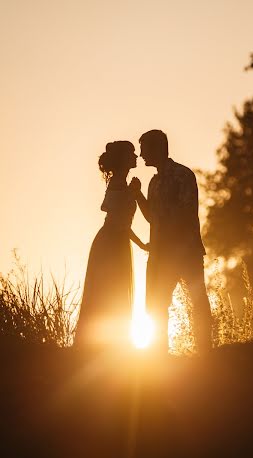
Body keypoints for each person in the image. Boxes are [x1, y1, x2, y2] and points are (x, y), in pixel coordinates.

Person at [131, 130, 212, 354]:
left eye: (144, 149)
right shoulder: (154, 182)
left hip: (185, 251)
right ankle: (159, 355)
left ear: (158, 148)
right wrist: (138, 196)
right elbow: (151, 218)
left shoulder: (182, 175)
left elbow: (186, 213)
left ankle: (205, 352)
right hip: (160, 254)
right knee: (156, 305)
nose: (141, 154)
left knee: (197, 301)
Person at [75, 141, 148, 346]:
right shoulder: (118, 183)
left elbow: (118, 219)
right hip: (111, 243)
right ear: (124, 159)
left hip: (115, 241)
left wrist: (133, 192)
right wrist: (142, 244)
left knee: (112, 291)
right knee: (110, 291)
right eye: (132, 153)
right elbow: (117, 221)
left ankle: (110, 346)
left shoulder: (121, 184)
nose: (136, 156)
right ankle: (105, 346)